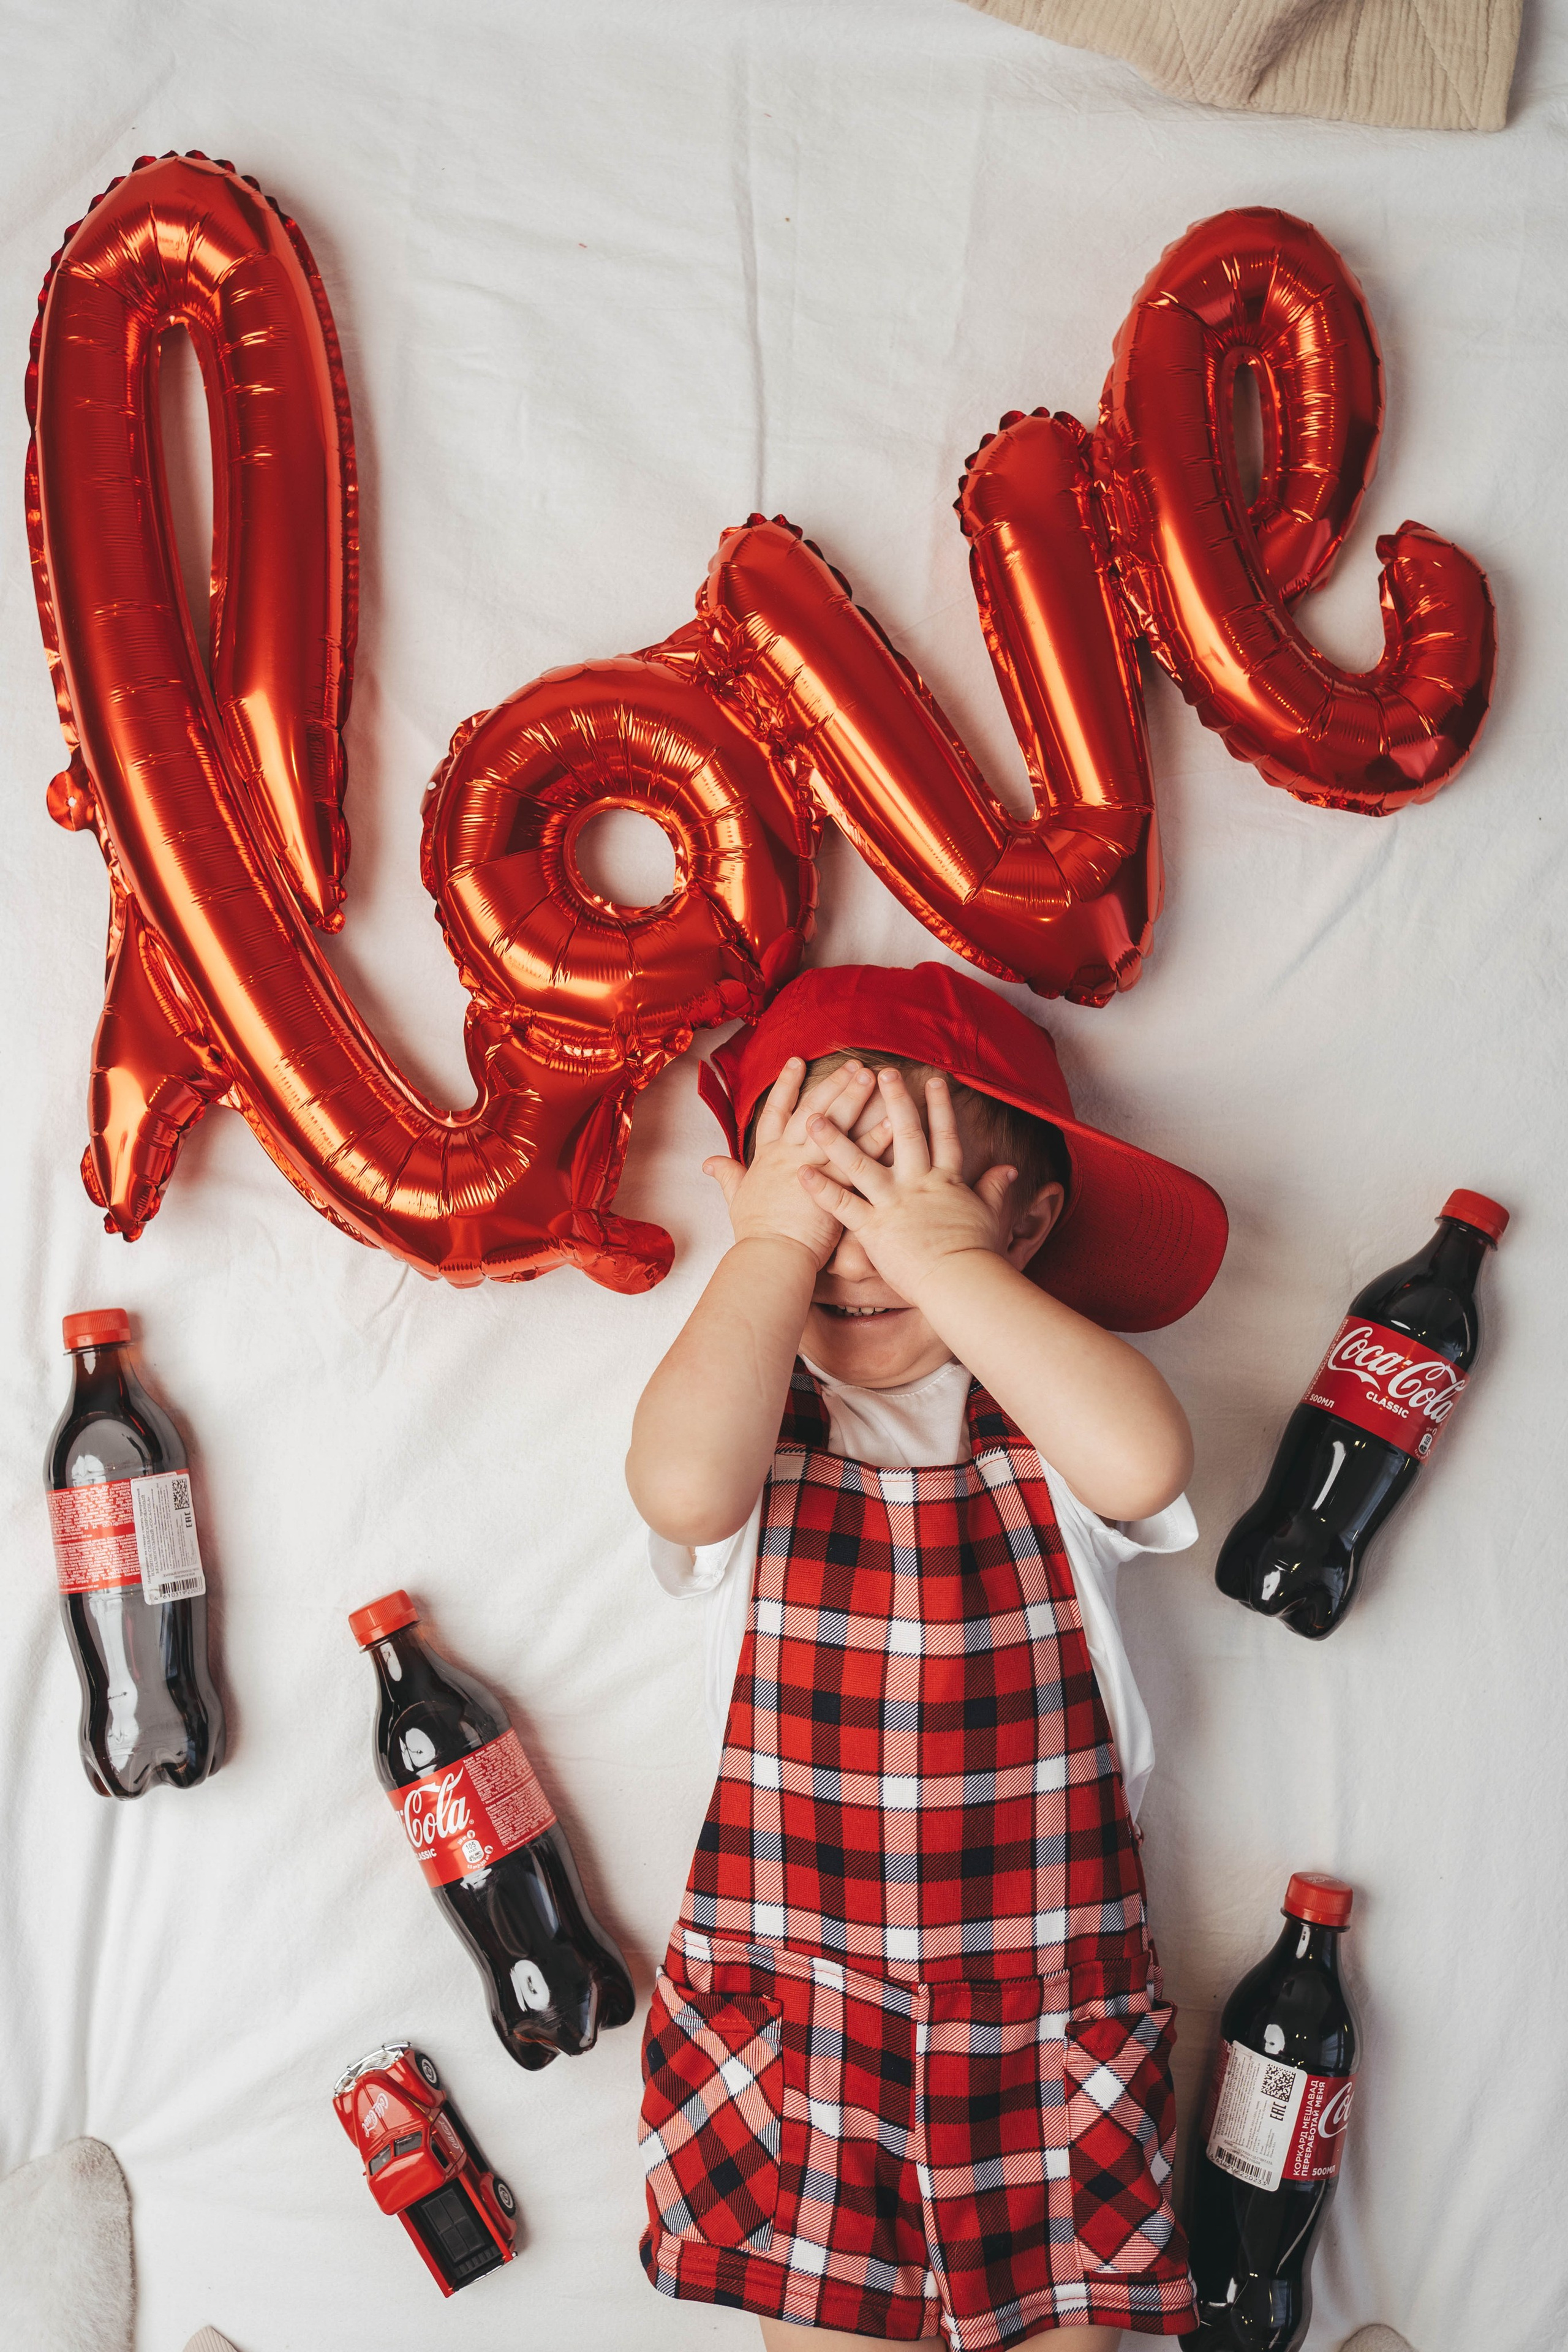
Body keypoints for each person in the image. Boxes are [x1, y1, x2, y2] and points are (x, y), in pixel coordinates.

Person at [627, 962, 1228, 2351]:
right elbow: (680, 1489)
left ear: (1028, 1219)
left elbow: (1145, 1459)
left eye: (905, 1190)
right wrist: (765, 1253)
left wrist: (950, 1269)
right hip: (800, 2012)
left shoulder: (1047, 1413)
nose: (859, 1246)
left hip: (1043, 2017)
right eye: (822, 1192)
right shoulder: (749, 1423)